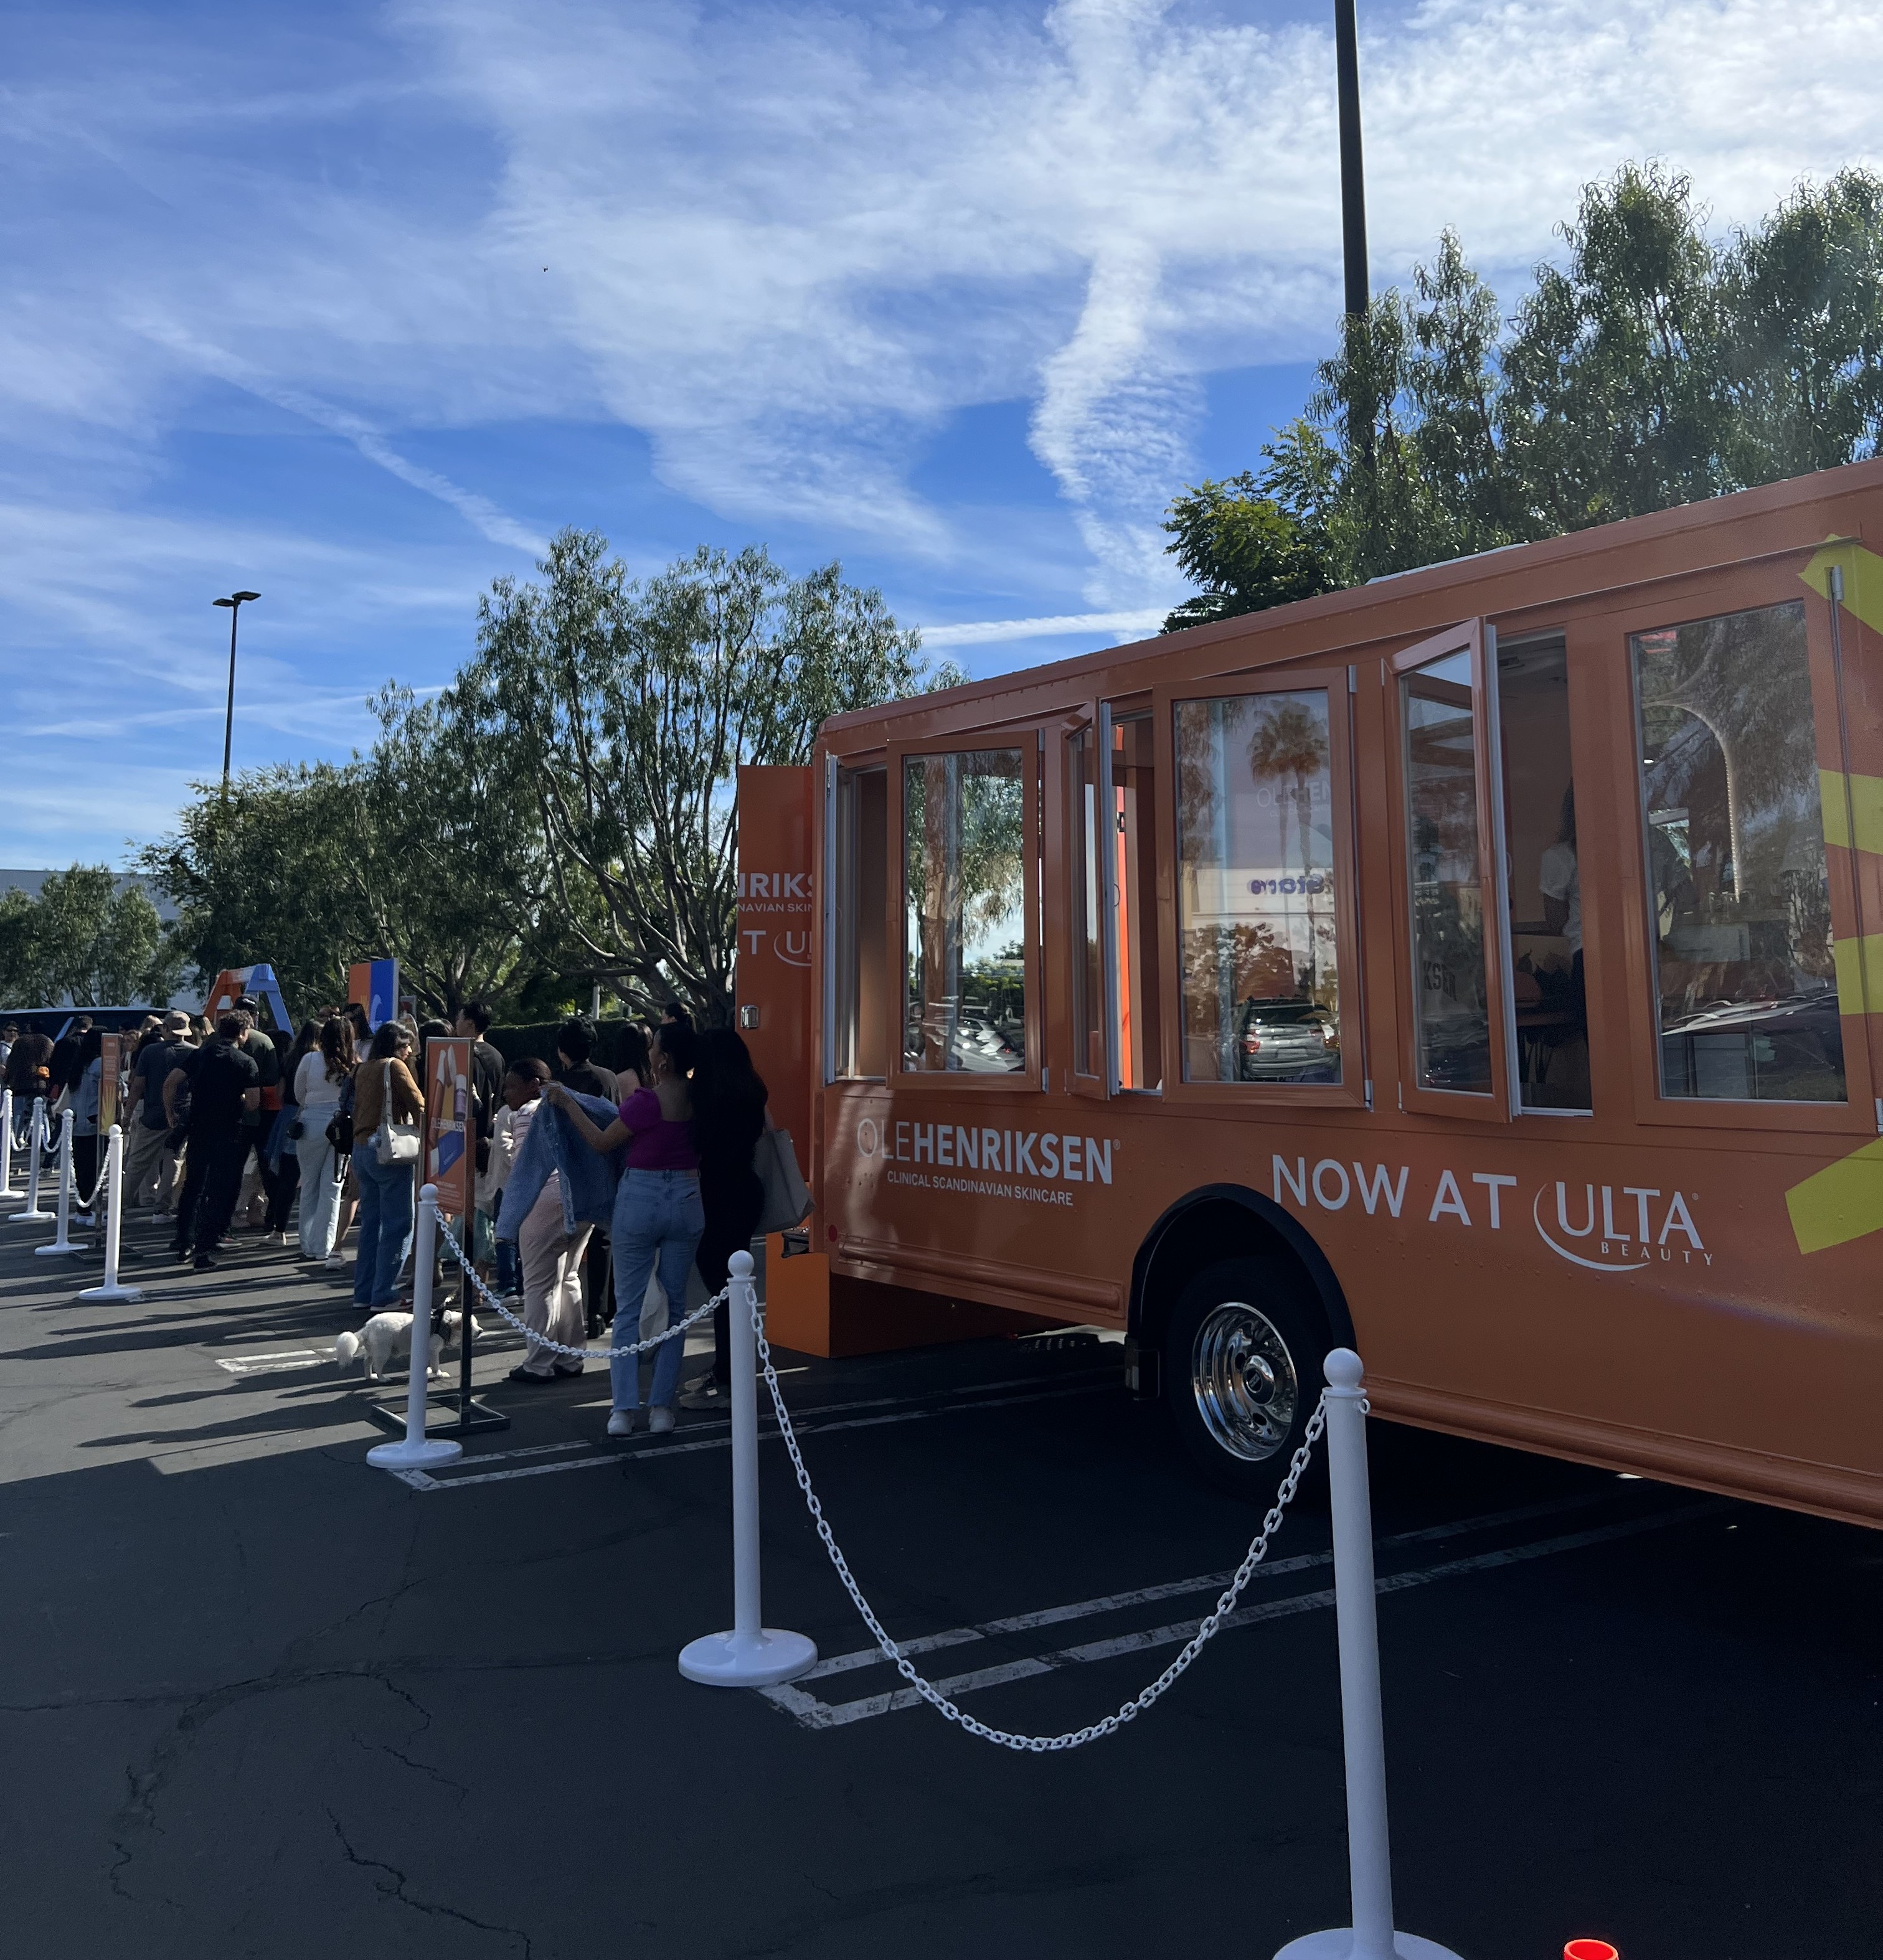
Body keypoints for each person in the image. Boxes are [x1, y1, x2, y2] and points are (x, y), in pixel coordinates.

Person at [545, 1020, 701, 1436]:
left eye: (655, 1047)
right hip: (687, 1197)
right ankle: (662, 1407)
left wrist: (567, 1103)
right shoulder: (702, 1098)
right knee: (676, 1309)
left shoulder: (647, 1101)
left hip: (641, 1199)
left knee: (628, 1309)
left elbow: (600, 1142)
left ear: (664, 1060)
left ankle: (624, 1410)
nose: (649, 1052)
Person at [679, 1027, 770, 1409]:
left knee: (721, 1284)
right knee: (734, 1284)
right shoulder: (753, 1089)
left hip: (717, 1192)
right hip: (746, 1188)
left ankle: (729, 1379)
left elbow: (694, 1142)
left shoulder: (704, 1095)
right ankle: (728, 1371)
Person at [498, 1059, 593, 1383]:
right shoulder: (568, 1106)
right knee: (569, 1278)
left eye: (511, 1086)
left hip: (544, 1199)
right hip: (579, 1198)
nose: (506, 1093)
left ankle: (539, 1363)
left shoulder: (526, 1113)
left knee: (539, 1284)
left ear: (534, 1085)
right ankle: (571, 1357)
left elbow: (524, 1168)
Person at [168, 1013, 261, 1270]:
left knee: (193, 1187)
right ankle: (204, 1248)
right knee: (218, 1190)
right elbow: (253, 1103)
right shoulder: (245, 1062)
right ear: (242, 1033)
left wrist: (170, 1113)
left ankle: (184, 1241)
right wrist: (239, 1098)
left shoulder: (201, 1055)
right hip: (229, 1131)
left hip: (199, 1128)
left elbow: (171, 1082)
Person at [555, 1017, 629, 1336]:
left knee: (571, 1243)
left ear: (562, 1051)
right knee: (604, 1238)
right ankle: (603, 1309)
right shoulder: (608, 1077)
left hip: (572, 1166)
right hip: (608, 1160)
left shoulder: (560, 1084)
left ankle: (572, 1313)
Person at [349, 1020, 424, 1312]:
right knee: (399, 1224)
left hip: (361, 1148)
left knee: (371, 1224)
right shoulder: (394, 1066)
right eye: (406, 1045)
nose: (409, 1051)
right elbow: (419, 1106)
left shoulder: (363, 1069)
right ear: (396, 1046)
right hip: (388, 1149)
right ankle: (384, 1293)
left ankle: (364, 1291)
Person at [294, 1015, 355, 1261]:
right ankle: (324, 1246)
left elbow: (299, 1093)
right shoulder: (354, 1063)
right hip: (341, 1125)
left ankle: (307, 1243)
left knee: (309, 1182)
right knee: (333, 1186)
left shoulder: (309, 1060)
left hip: (311, 1123)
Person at [261, 1025, 303, 1244]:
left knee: (282, 1172)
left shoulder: (288, 1062)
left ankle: (277, 1224)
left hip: (285, 1117)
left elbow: (280, 1092)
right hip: (309, 1115)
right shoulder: (321, 1062)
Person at [67, 1025, 106, 1207]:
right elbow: (118, 1087)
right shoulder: (100, 1063)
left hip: (77, 1121)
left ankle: (82, 1208)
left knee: (82, 1168)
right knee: (95, 1167)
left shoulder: (79, 1062)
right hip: (95, 1120)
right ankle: (91, 1208)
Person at [6, 1025, 53, 1143]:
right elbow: (52, 1062)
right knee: (42, 1112)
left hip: (21, 1083)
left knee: (19, 1112)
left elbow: (12, 1063)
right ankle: (45, 1138)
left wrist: (8, 1080)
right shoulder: (47, 1042)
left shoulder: (20, 1043)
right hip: (40, 1082)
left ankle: (17, 1138)